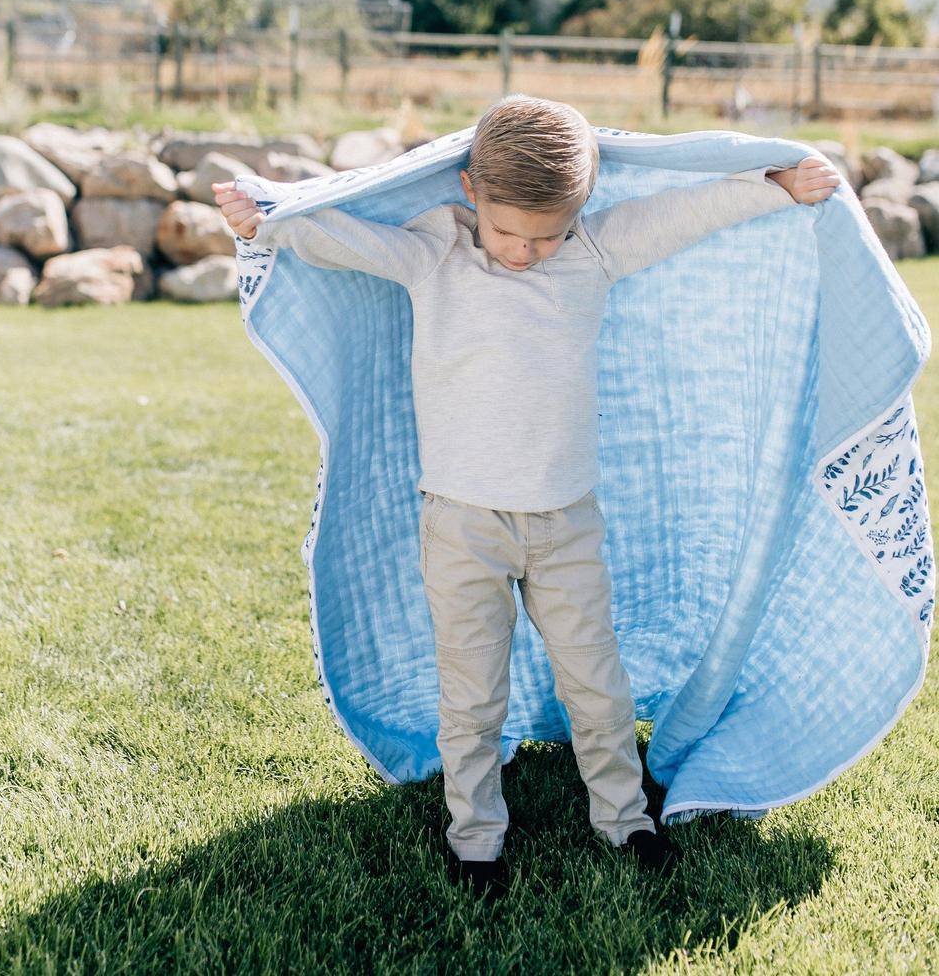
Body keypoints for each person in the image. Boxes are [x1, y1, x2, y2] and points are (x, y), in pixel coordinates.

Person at [213, 94, 841, 903]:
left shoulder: (593, 253)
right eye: (512, 232)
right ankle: (475, 836)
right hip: (463, 525)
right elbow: (343, 239)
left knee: (596, 681)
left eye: (548, 233)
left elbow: (685, 214)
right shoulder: (434, 257)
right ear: (472, 190)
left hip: (566, 525)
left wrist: (776, 185)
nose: (527, 251)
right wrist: (263, 220)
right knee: (472, 693)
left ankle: (624, 818)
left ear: (579, 209)